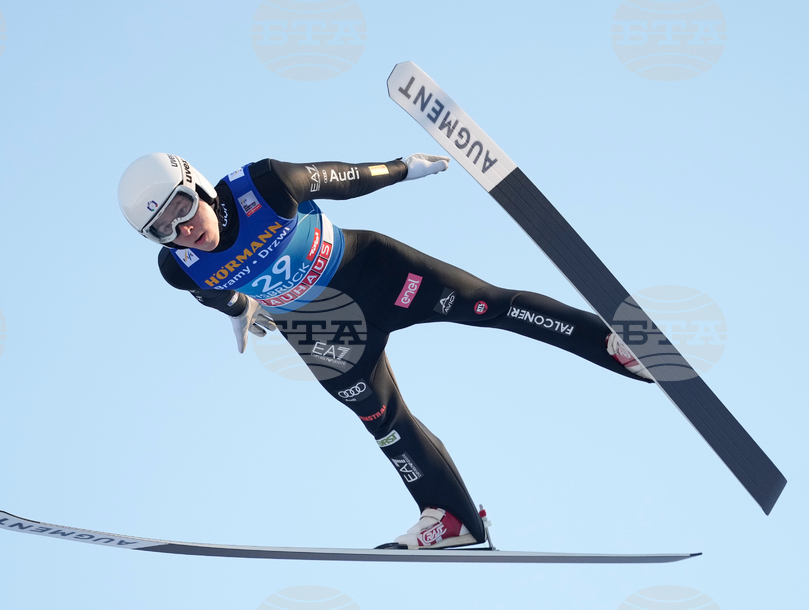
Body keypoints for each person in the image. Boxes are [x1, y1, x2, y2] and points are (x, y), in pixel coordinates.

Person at [117, 153, 653, 549]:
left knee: (488, 306)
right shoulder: (177, 266)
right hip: (320, 329)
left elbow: (343, 179)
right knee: (383, 421)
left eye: (181, 210)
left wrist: (403, 167)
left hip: (370, 272)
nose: (183, 231)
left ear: (199, 187)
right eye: (162, 230)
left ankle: (614, 346)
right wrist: (239, 312)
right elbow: (215, 292)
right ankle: (452, 518)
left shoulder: (265, 185)